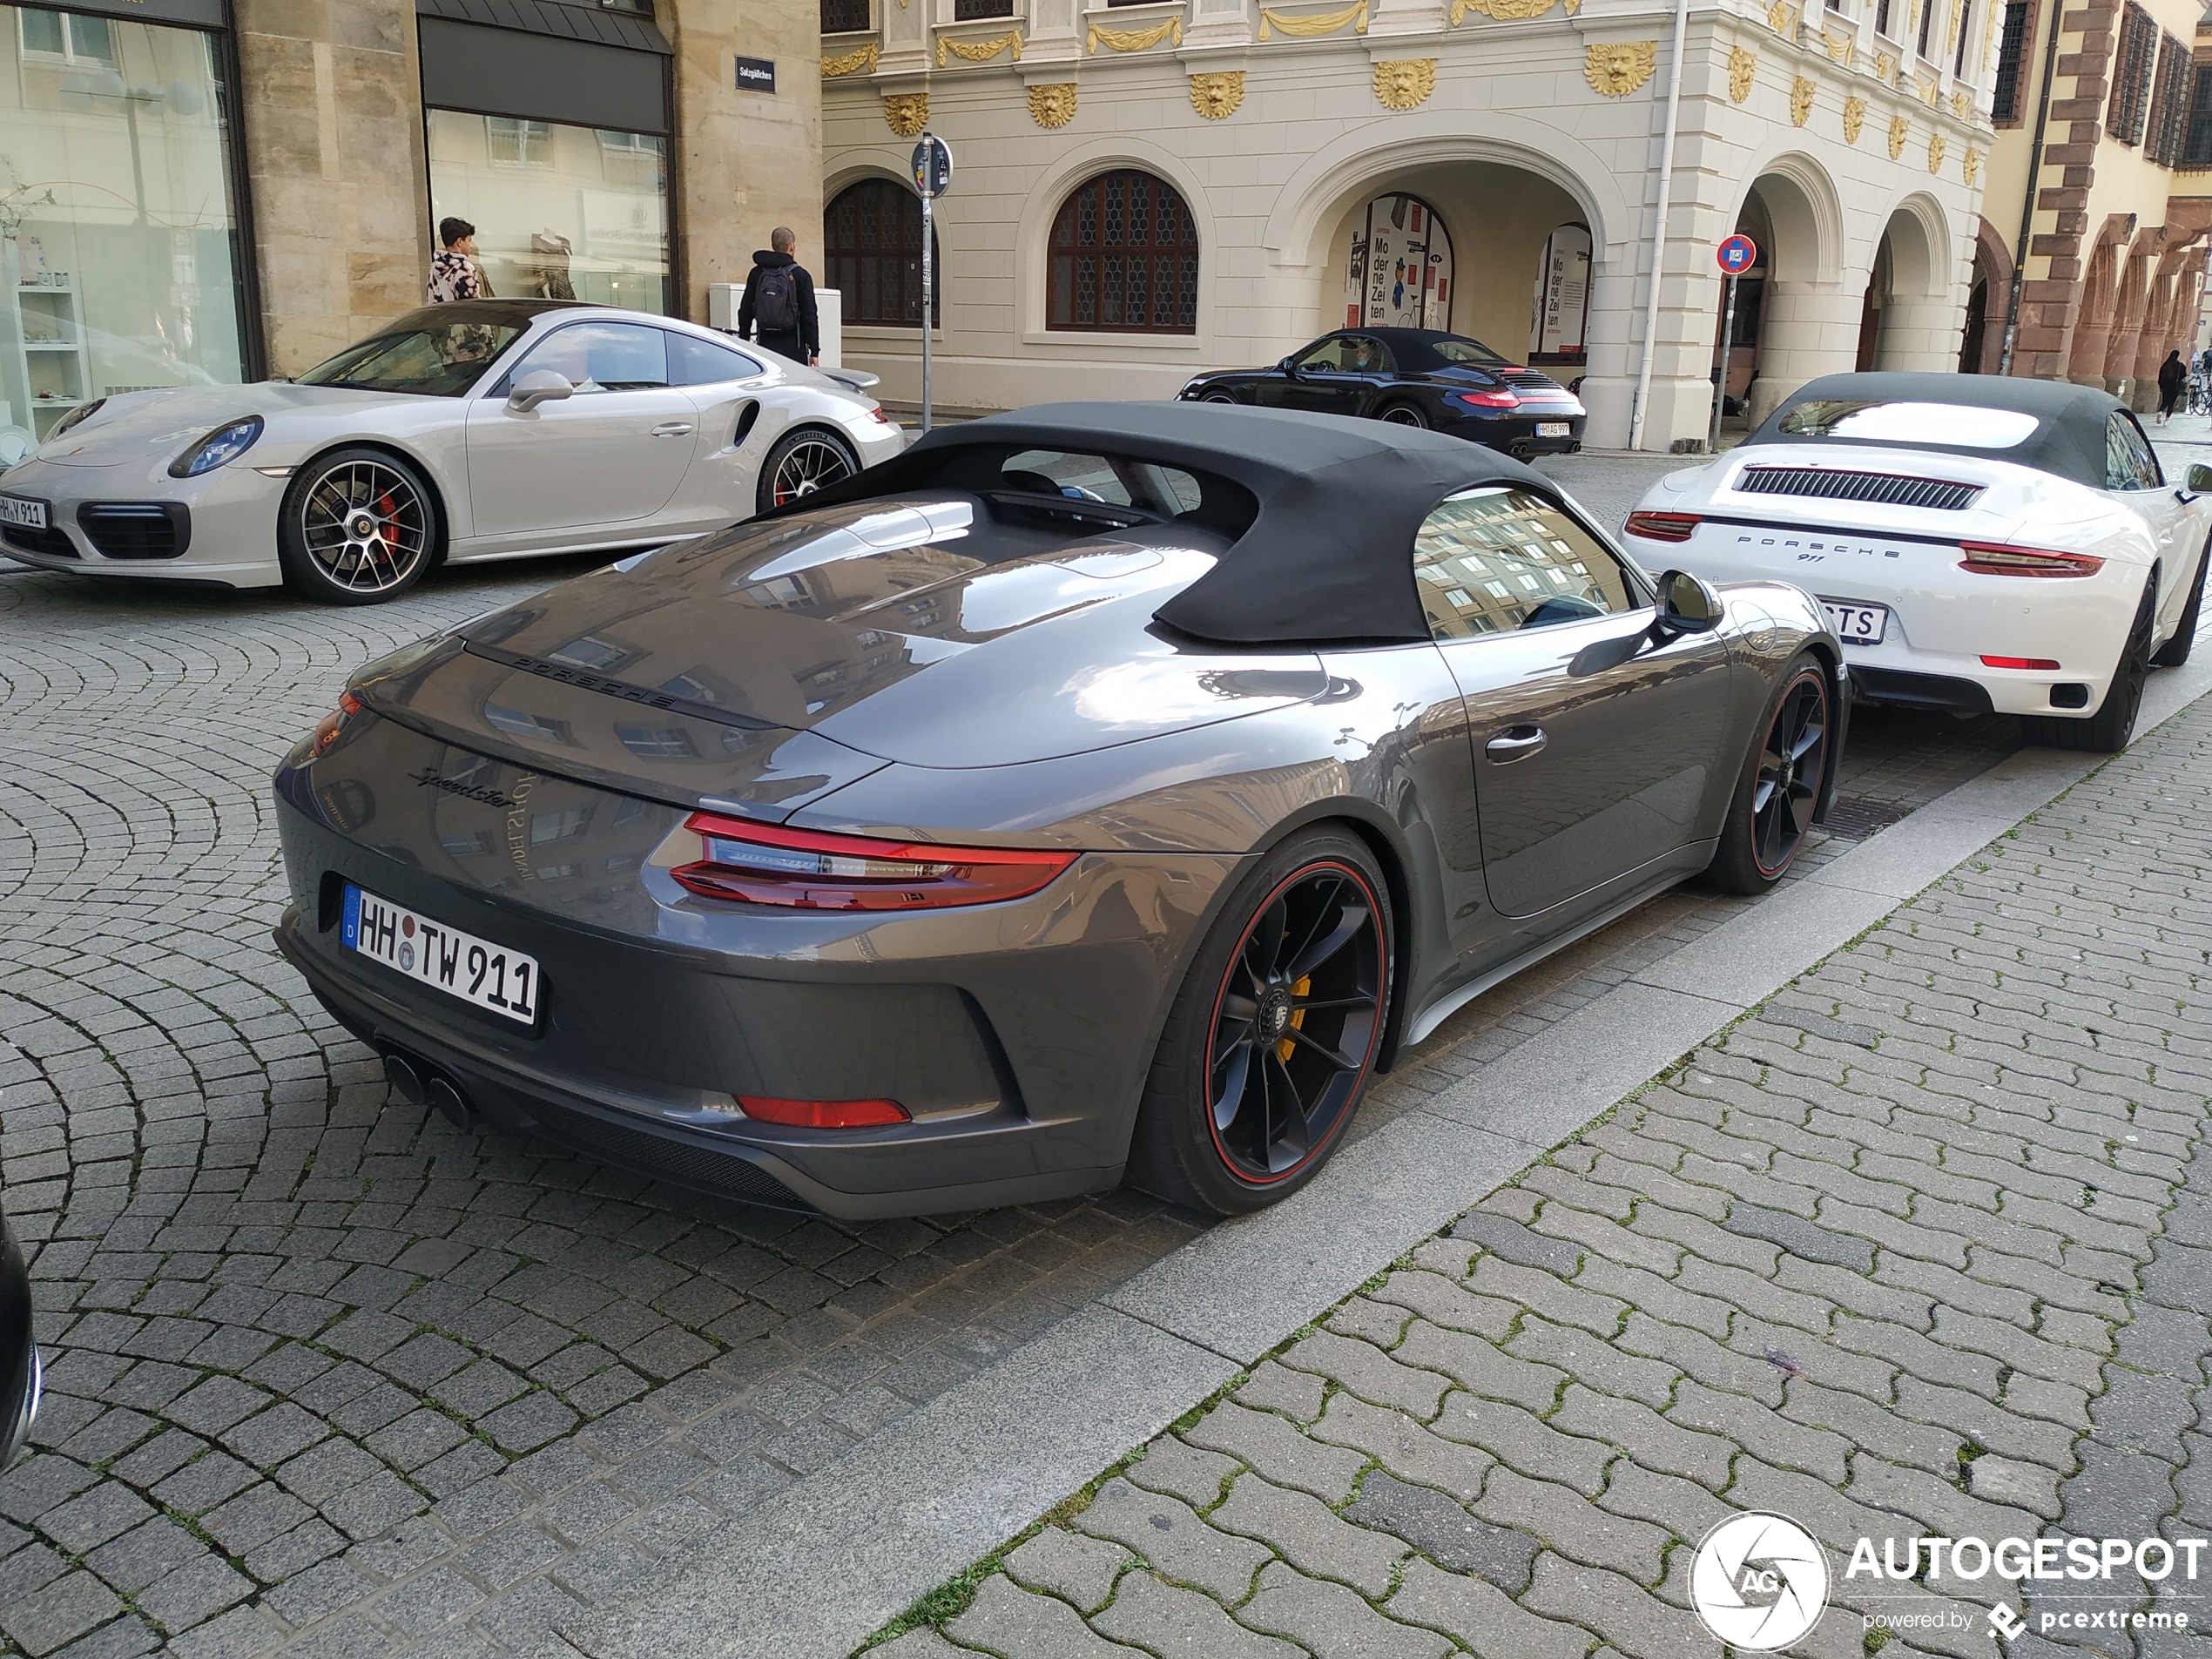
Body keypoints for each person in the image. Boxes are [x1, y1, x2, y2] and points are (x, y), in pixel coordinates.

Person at [738, 227, 819, 367]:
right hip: (794, 348)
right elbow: (809, 315)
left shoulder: (757, 273)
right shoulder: (801, 276)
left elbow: (745, 309)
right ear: (791, 247)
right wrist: (814, 350)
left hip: (764, 346)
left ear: (773, 246)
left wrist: (744, 340)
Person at [427, 218, 490, 304]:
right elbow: (473, 306)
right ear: (459, 241)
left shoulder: (434, 269)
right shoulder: (464, 268)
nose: (471, 246)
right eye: (469, 241)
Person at [2157, 349, 2187, 425]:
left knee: (2165, 401)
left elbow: (2160, 376)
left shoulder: (2165, 365)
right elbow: (2184, 375)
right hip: (2175, 387)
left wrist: (2161, 386)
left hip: (2166, 387)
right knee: (2171, 404)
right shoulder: (2180, 366)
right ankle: (2166, 420)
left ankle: (2160, 411)